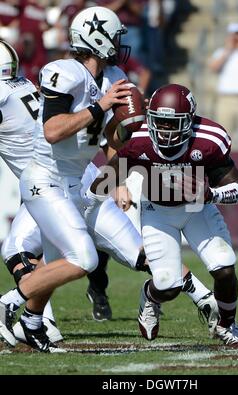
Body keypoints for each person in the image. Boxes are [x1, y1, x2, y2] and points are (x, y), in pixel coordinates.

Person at [0, 6, 133, 353]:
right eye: (115, 36)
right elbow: (52, 130)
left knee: (57, 261)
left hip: (77, 181)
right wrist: (102, 106)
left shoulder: (112, 75)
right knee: (82, 259)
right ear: (97, 38)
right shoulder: (65, 72)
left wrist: (117, 173)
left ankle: (32, 323)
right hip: (45, 180)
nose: (119, 43)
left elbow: (111, 141)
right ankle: (7, 305)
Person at [91, 83, 238, 348]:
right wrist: (93, 200)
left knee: (224, 267)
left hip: (196, 209)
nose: (164, 130)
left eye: (171, 123)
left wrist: (211, 194)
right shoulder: (137, 137)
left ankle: (226, 326)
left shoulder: (209, 139)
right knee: (168, 286)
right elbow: (106, 179)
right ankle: (150, 296)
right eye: (160, 122)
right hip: (157, 210)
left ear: (189, 121)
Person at [0, 39, 62, 343]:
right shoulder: (24, 83)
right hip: (61, 177)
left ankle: (36, 318)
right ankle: (41, 321)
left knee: (82, 258)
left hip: (48, 186)